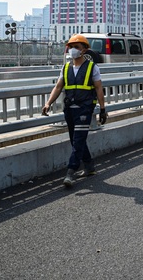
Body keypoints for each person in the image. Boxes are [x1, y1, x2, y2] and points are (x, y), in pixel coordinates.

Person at [42, 34, 107, 188]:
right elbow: (58, 87)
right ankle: (89, 166)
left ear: (84, 50)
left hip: (85, 108)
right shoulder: (65, 68)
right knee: (75, 139)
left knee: (78, 140)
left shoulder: (92, 67)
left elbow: (98, 88)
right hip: (69, 108)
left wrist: (103, 109)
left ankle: (70, 172)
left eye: (77, 47)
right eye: (71, 47)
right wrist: (48, 103)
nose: (73, 50)